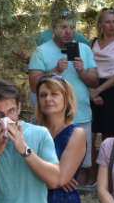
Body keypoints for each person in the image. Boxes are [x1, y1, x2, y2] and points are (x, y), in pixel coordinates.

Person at [28, 11, 99, 171]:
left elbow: (94, 81)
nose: (68, 31)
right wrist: (55, 70)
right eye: (63, 27)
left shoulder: (84, 49)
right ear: (53, 27)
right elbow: (34, 85)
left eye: (72, 27)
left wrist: (83, 71)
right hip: (51, 120)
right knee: (51, 163)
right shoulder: (40, 51)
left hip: (81, 116)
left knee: (80, 166)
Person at [89, 8, 114, 181]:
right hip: (91, 87)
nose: (112, 25)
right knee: (89, 136)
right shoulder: (92, 43)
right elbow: (87, 68)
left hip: (111, 89)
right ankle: (90, 175)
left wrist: (99, 90)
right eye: (108, 22)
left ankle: (106, 176)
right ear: (100, 24)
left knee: (107, 136)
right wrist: (92, 91)